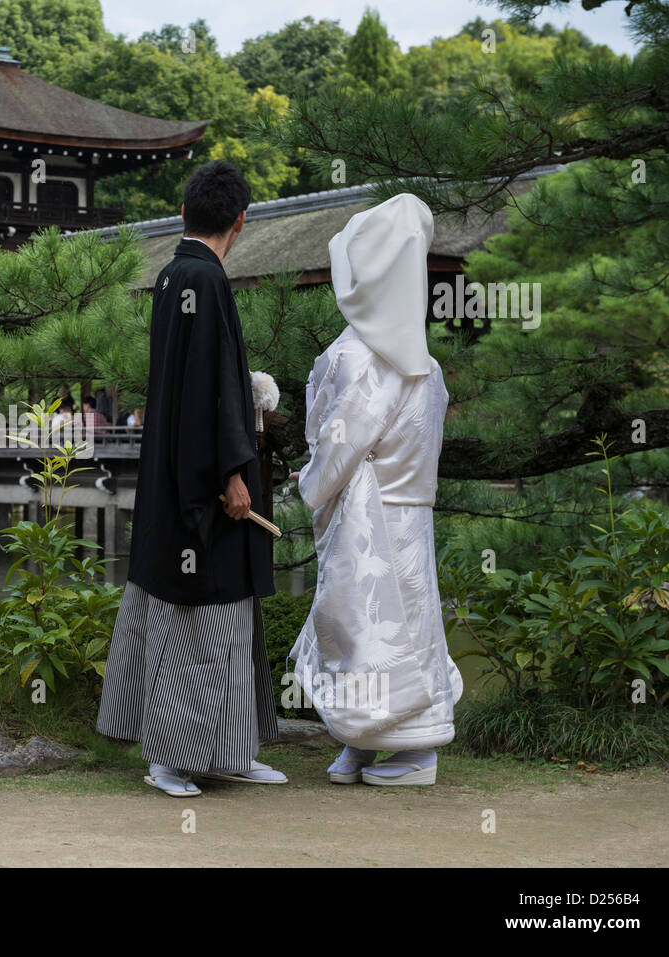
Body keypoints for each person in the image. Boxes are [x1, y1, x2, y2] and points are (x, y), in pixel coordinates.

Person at [97, 160, 285, 796]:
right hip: (202, 485)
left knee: (225, 614)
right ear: (240, 221)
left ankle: (233, 751)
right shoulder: (203, 280)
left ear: (183, 214)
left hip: (180, 474)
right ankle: (169, 759)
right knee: (194, 617)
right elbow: (206, 392)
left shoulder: (177, 274)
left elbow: (203, 389)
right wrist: (233, 474)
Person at [291, 193, 463, 787]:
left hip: (371, 516)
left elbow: (339, 445)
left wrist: (310, 485)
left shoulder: (358, 356)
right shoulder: (424, 362)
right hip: (408, 514)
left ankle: (408, 750)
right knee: (399, 628)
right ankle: (367, 742)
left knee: (362, 628)